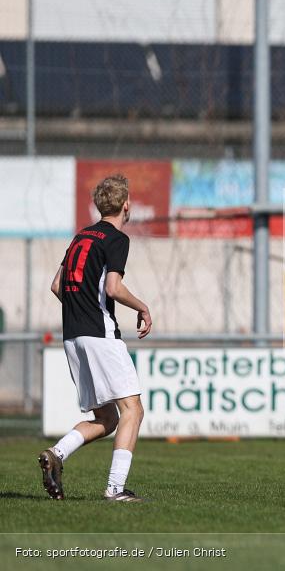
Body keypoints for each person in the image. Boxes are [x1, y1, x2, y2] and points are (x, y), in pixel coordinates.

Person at [39, 174, 152, 502]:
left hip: (72, 337)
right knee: (133, 409)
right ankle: (116, 489)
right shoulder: (116, 238)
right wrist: (143, 307)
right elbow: (113, 288)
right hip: (100, 335)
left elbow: (58, 285)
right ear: (126, 204)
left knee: (107, 418)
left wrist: (82, 308)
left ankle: (56, 454)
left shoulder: (80, 237)